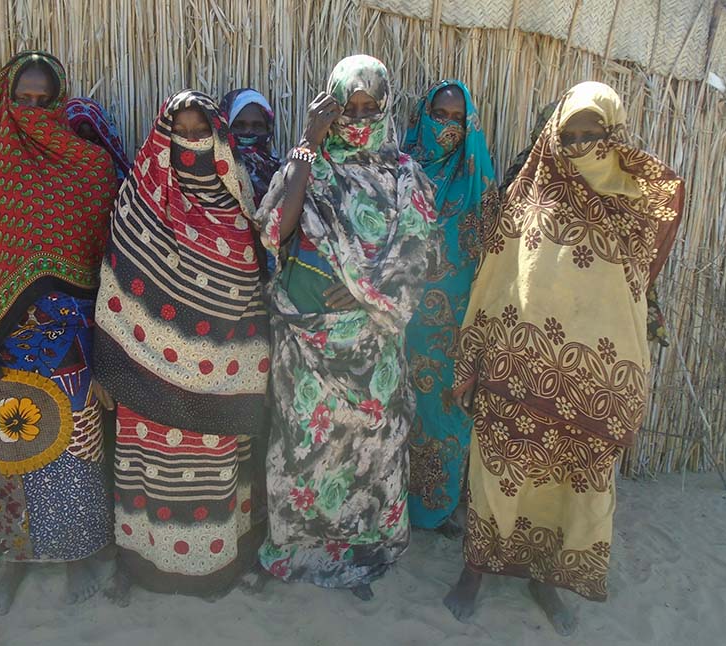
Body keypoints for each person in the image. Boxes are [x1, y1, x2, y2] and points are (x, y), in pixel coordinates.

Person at [444, 81, 684, 634]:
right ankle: (474, 573)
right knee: (497, 477)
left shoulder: (632, 203)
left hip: (592, 380)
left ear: (614, 136)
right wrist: (475, 356)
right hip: (517, 368)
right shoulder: (529, 193)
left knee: (570, 486)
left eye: (592, 135)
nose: (579, 146)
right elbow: (495, 278)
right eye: (569, 134)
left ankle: (546, 581)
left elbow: (636, 287)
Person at [254, 54, 436, 600]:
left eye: (368, 106)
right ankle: (298, 551)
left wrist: (360, 290)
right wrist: (309, 143)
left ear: (384, 108)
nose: (357, 116)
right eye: (346, 107)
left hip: (371, 345)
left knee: (369, 452)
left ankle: (364, 552)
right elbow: (273, 232)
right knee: (303, 449)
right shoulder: (309, 165)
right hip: (303, 341)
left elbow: (414, 258)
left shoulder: (405, 178)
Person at [0, 51, 118, 614]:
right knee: (14, 448)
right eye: (21, 98)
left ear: (58, 101)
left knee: (73, 445)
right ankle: (15, 561)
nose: (31, 109)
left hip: (71, 335)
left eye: (42, 100)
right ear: (6, 97)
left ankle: (75, 557)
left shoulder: (89, 168)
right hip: (4, 334)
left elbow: (106, 255)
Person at [92, 90, 270, 603]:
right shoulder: (138, 200)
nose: (191, 142)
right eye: (181, 132)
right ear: (163, 137)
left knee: (208, 480)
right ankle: (142, 566)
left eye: (200, 132)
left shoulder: (237, 205)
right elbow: (117, 282)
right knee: (146, 478)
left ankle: (211, 573)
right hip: (144, 375)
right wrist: (112, 366)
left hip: (216, 383)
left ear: (217, 137)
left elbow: (250, 293)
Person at [402, 80, 496, 537]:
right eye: (439, 114)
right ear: (424, 116)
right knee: (400, 411)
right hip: (399, 324)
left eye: (456, 119)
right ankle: (391, 507)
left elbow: (496, 260)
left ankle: (436, 510)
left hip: (456, 328)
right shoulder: (400, 170)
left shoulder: (478, 178)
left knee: (445, 414)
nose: (446, 126)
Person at [220, 88, 281, 278]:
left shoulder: (283, 175)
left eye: (257, 126)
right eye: (238, 125)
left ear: (268, 128)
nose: (248, 132)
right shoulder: (211, 176)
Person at [66, 97, 132, 182]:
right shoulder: (63, 148)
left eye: (94, 140)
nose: (89, 145)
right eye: (84, 140)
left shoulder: (105, 148)